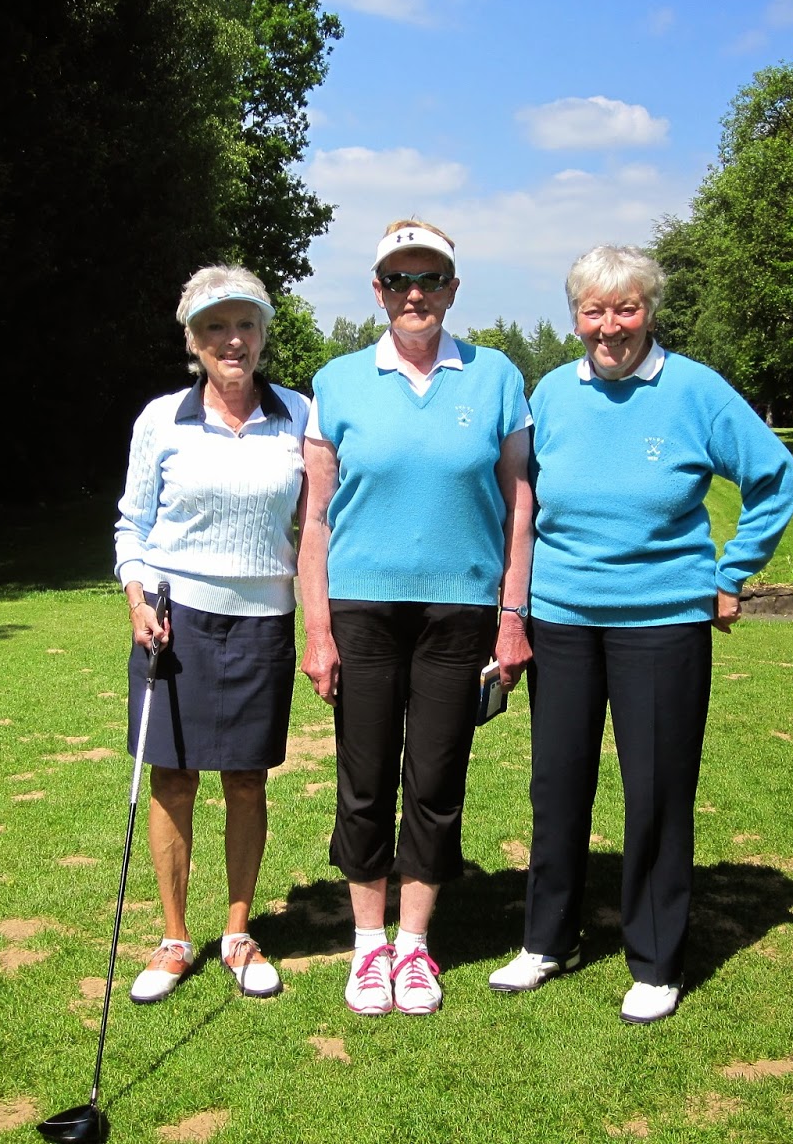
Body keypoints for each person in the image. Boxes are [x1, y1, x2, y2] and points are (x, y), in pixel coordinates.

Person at [487, 244, 793, 1023]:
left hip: (662, 621)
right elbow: (522, 498)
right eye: (593, 311)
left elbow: (777, 477)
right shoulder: (553, 392)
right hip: (562, 618)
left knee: (657, 789)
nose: (609, 326)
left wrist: (731, 574)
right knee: (556, 784)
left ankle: (657, 958)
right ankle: (547, 939)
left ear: (650, 311)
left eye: (625, 308)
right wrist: (515, 607)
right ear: (575, 319)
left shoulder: (695, 389)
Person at [299, 220, 534, 1016]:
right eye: (399, 279)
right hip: (360, 607)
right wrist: (319, 630)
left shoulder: (497, 376)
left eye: (430, 279)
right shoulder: (336, 382)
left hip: (459, 610)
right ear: (377, 291)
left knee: (435, 779)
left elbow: (518, 504)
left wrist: (512, 613)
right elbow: (318, 519)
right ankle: (369, 948)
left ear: (453, 290)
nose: (415, 294)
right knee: (365, 780)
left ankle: (415, 946)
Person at [113, 264, 310, 1004]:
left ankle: (237, 931)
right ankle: (172, 937)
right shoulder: (162, 419)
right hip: (174, 617)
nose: (234, 340)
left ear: (263, 333)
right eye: (216, 327)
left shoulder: (300, 413)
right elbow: (132, 523)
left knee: (246, 780)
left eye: (247, 324)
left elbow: (319, 523)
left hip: (264, 619)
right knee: (172, 778)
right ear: (193, 340)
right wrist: (136, 597)